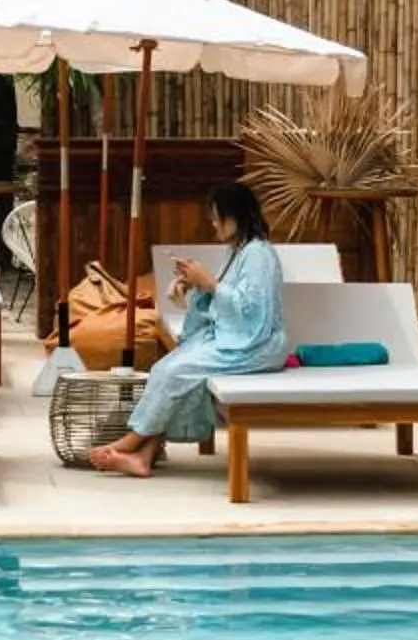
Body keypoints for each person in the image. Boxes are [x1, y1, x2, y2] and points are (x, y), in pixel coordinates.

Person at [88, 183, 285, 477]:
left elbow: (254, 312)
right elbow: (224, 299)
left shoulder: (258, 254)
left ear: (236, 215)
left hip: (256, 345)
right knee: (168, 369)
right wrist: (195, 285)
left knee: (174, 373)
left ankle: (131, 441)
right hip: (234, 339)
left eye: (218, 216)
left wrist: (209, 283)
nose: (213, 222)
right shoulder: (237, 251)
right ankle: (142, 456)